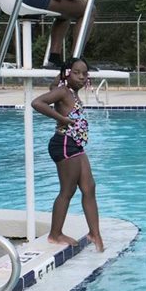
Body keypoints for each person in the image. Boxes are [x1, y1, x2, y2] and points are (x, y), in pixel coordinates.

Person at [31, 57, 103, 252]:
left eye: (84, 73)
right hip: (63, 143)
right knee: (68, 190)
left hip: (75, 145)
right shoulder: (63, 91)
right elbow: (37, 103)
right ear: (67, 73)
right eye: (76, 72)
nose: (81, 76)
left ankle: (94, 233)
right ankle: (55, 234)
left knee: (89, 187)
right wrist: (62, 118)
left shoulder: (72, 93)